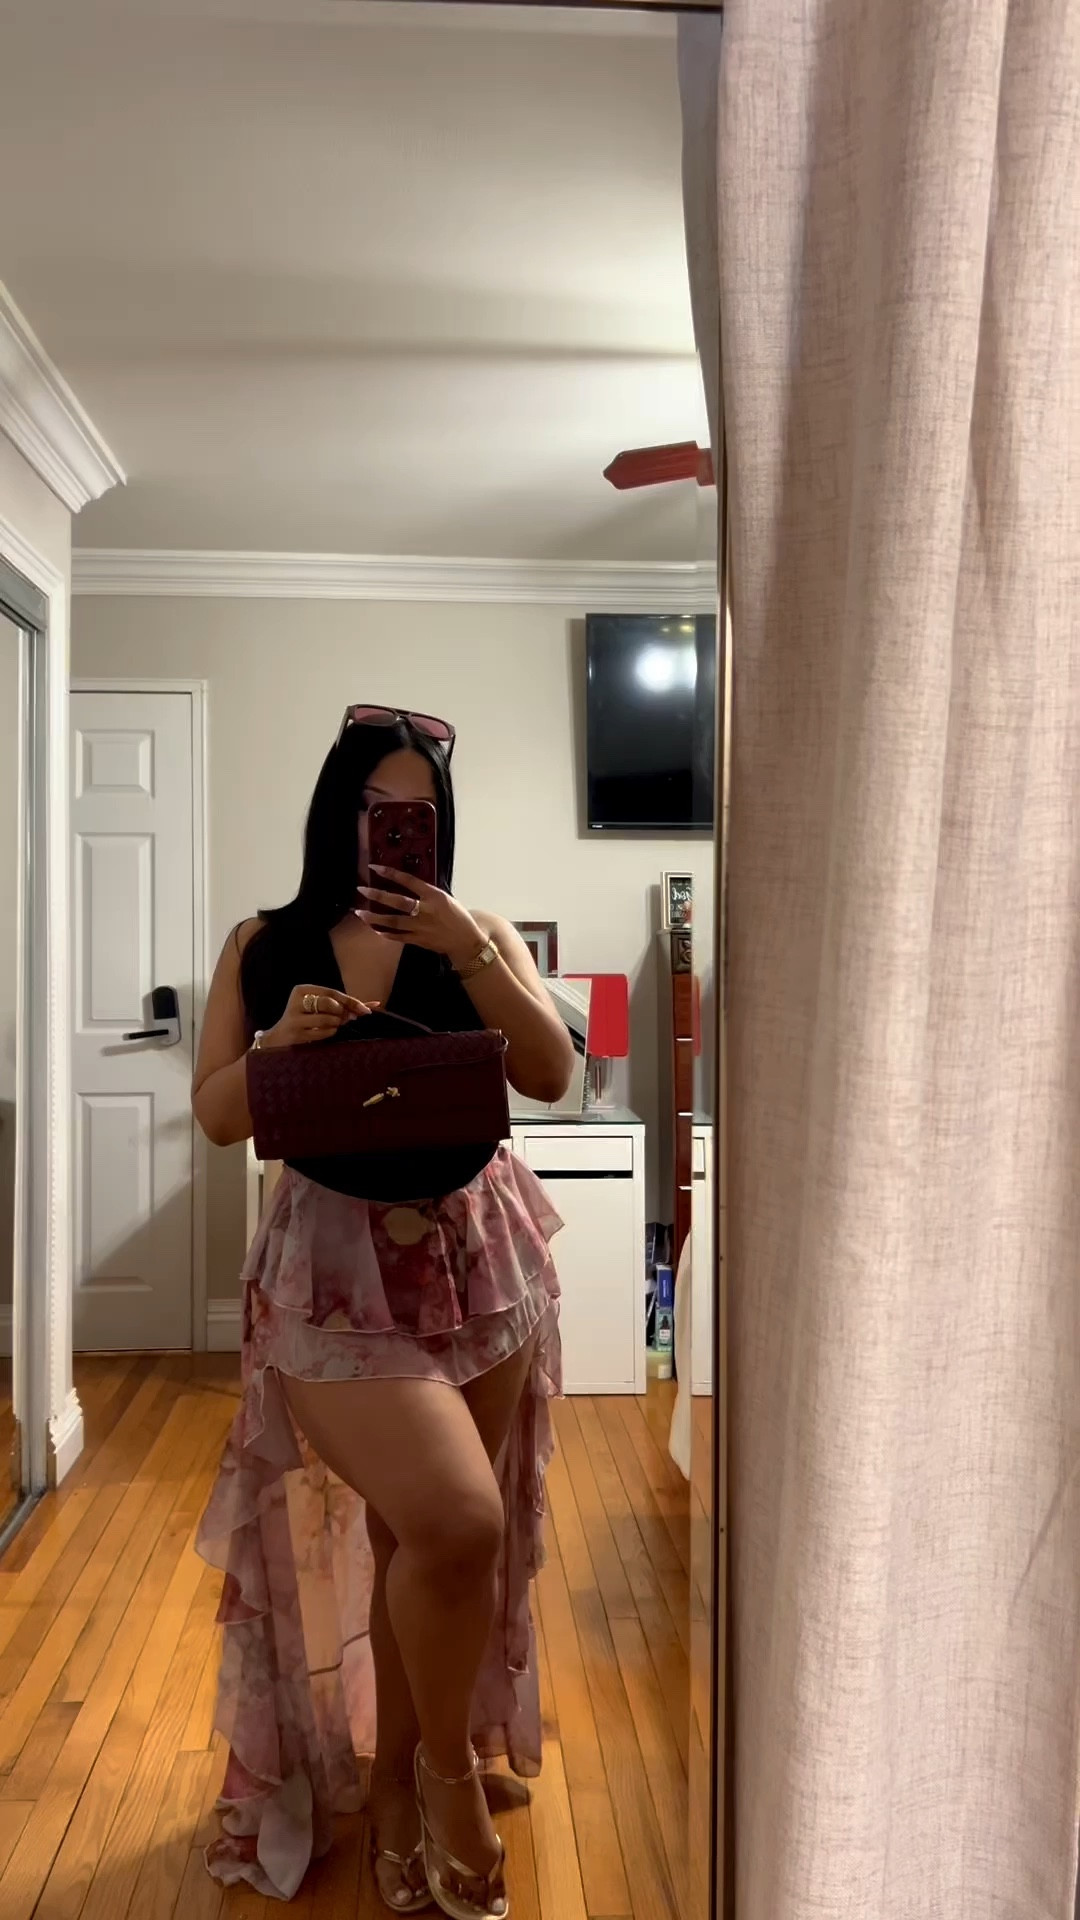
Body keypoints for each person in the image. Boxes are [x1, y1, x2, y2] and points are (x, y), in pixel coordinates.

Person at [192, 705, 574, 1916]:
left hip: (476, 1253)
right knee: (458, 1519)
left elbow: (552, 1073)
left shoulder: (482, 934)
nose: (395, 831)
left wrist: (472, 951)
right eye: (375, 809)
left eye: (418, 813)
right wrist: (277, 1047)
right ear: (336, 813)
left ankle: (400, 1789)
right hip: (334, 1272)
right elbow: (216, 1115)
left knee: (422, 1540)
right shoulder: (264, 944)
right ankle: (448, 1775)